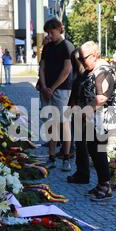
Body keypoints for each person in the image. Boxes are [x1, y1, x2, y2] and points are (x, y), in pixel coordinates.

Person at [68, 41, 116, 201]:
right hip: (92, 119)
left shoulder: (103, 71)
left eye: (83, 58)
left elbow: (101, 98)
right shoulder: (92, 70)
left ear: (95, 55)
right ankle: (101, 183)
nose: (81, 62)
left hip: (102, 118)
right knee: (94, 150)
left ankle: (106, 186)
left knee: (99, 151)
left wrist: (84, 112)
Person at [38, 18, 75, 171]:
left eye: (51, 32)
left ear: (59, 29)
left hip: (62, 90)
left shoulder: (67, 46)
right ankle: (51, 157)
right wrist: (45, 86)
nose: (49, 35)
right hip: (46, 89)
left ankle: (66, 158)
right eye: (47, 32)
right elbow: (42, 67)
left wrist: (52, 88)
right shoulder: (47, 47)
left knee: (63, 123)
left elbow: (67, 70)